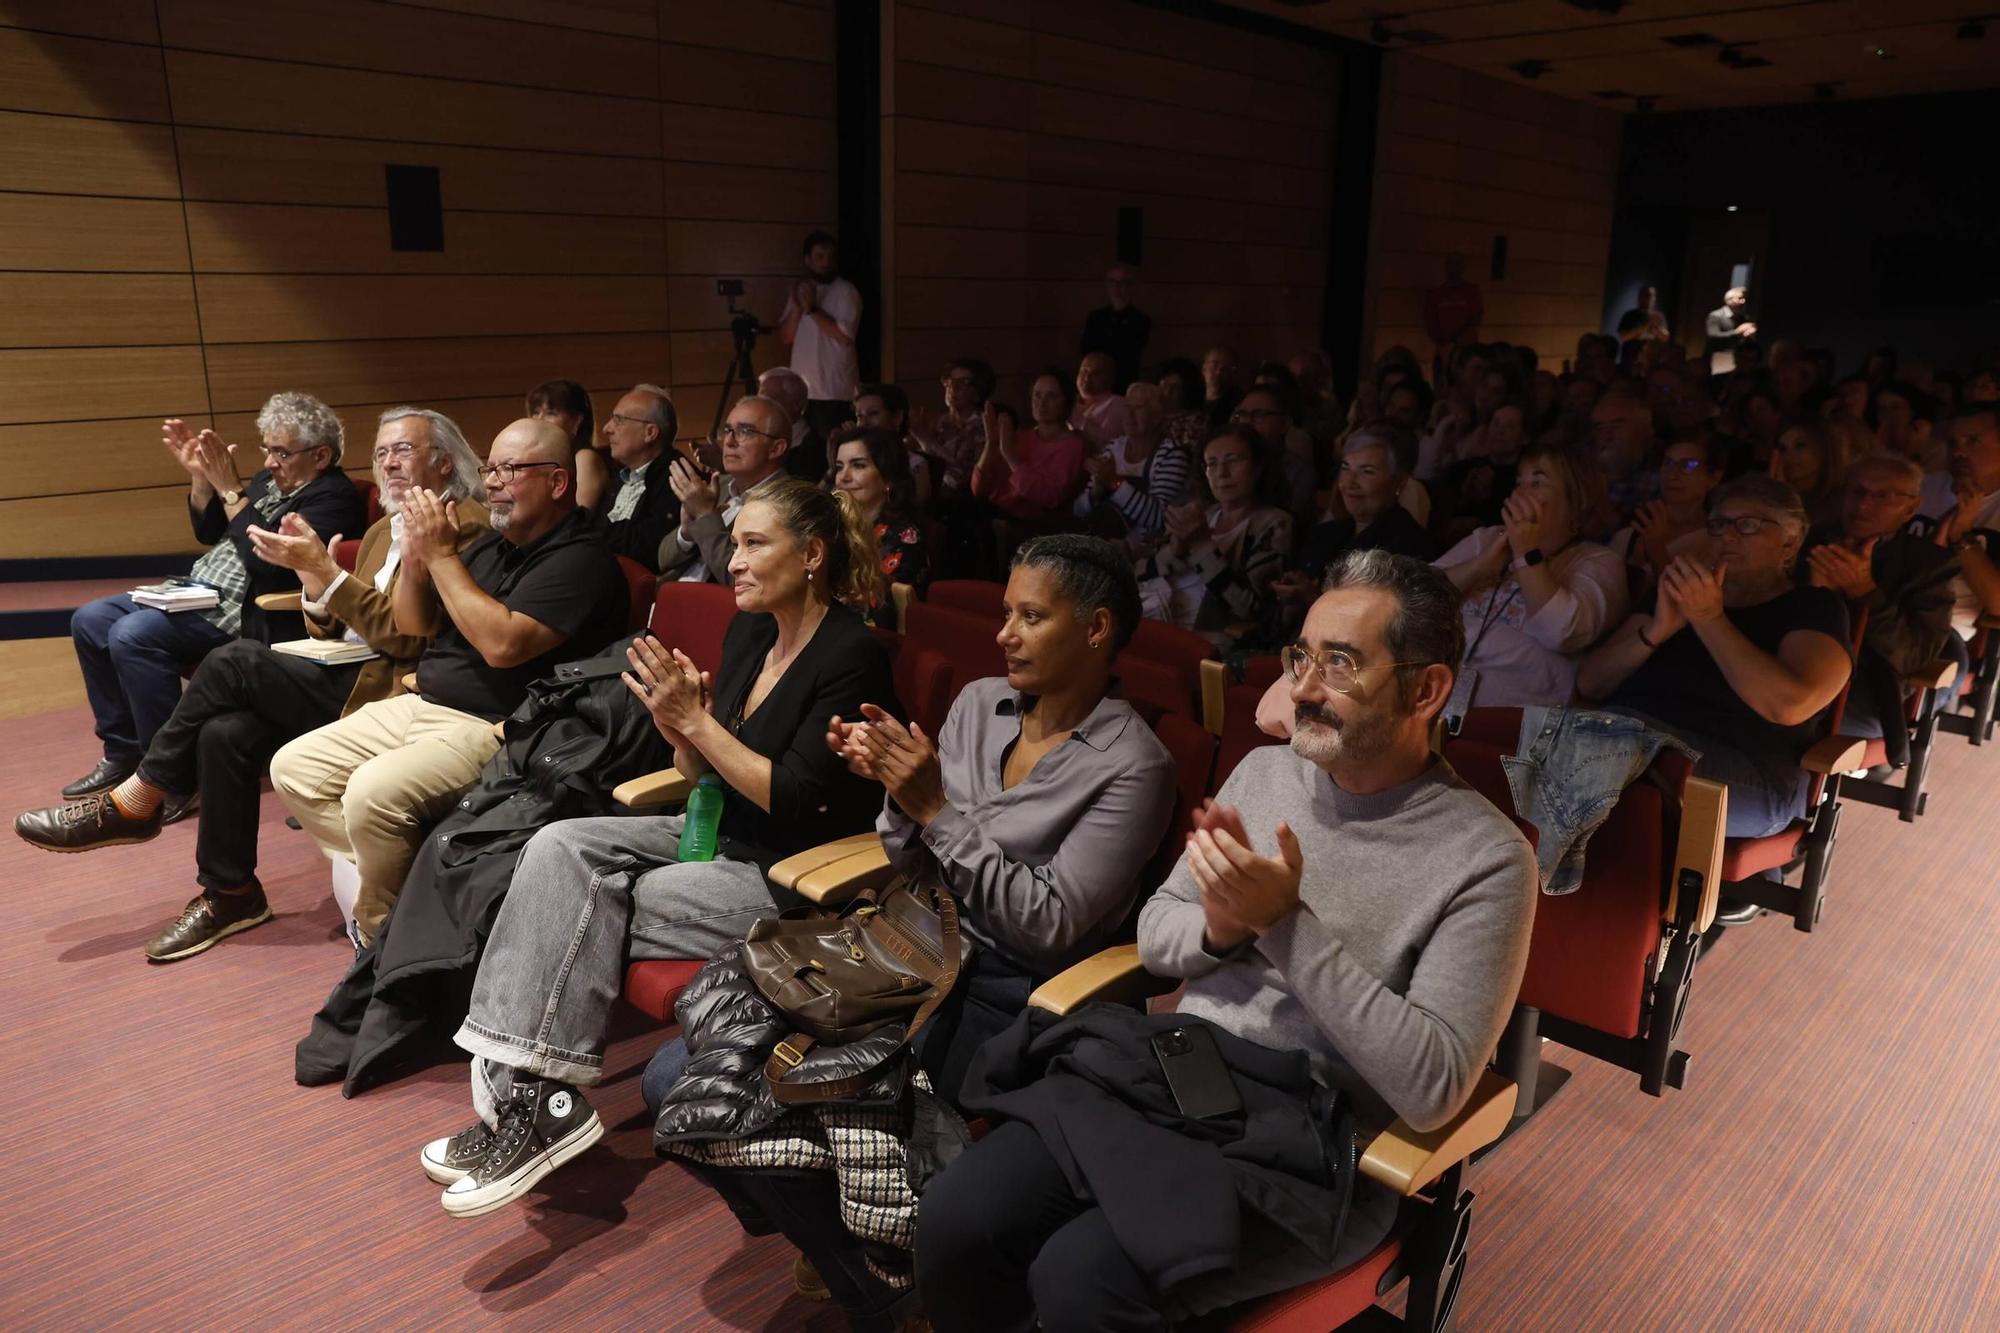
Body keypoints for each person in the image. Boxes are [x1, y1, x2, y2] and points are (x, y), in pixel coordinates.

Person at [914, 550, 1538, 1333]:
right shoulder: (1265, 773)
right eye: (1301, 655)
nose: (1304, 688)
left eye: (1339, 663)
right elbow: (1157, 935)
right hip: (1173, 1076)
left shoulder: (1488, 858)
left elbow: (1434, 1086)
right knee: (954, 1217)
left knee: (1080, 1278)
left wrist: (1284, 925)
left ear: (1427, 688)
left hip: (1316, 1143)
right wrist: (1221, 926)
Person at [652, 535, 1180, 1329]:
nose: (1003, 634)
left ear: (1097, 628)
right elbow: (907, 856)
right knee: (674, 1074)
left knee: (783, 1106)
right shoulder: (978, 702)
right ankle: (871, 1269)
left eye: (1031, 617)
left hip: (1010, 992)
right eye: (1006, 612)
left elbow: (1049, 926)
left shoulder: (1135, 764)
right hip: (901, 941)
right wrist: (895, 793)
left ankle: (872, 1264)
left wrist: (936, 807)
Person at [417, 478, 898, 1216]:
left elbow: (799, 800)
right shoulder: (751, 632)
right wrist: (681, 729)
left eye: (753, 544)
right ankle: (534, 1101)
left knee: (598, 898)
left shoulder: (850, 652)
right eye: (733, 542)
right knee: (556, 847)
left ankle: (529, 1108)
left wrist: (697, 724)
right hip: (722, 831)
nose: (732, 560)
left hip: (795, 874)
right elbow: (699, 769)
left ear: (812, 554)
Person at [16, 409, 487, 962]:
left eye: (403, 450)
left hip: (392, 690)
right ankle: (231, 893)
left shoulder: (465, 523)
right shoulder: (386, 527)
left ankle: (141, 797)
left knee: (233, 660)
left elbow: (409, 642)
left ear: (444, 461)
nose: (388, 463)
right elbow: (333, 622)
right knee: (226, 731)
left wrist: (329, 576)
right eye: (381, 452)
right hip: (342, 664)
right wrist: (315, 579)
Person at [269, 419, 628, 946]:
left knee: (372, 795)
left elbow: (503, 645)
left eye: (512, 469)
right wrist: (416, 561)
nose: (495, 482)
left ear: (556, 483)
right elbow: (414, 624)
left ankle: (382, 939)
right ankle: (417, 897)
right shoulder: (491, 548)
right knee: (293, 770)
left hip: (495, 725)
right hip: (420, 701)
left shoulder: (581, 559)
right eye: (491, 469)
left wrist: (439, 556)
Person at [63, 393, 367, 801]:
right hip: (195, 592)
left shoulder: (335, 498)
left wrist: (230, 490)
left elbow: (270, 568)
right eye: (267, 449)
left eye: (281, 452)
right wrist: (203, 479)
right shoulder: (266, 482)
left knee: (132, 634)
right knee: (90, 619)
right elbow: (209, 533)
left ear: (321, 455)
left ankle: (171, 776)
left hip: (243, 609)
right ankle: (124, 752)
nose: (269, 462)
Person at [1577, 475, 1852, 839]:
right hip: (1630, 745)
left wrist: (1709, 619)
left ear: (1790, 541)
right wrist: (1657, 630)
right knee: (1528, 740)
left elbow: (1789, 705)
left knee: (1598, 747)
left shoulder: (1812, 607)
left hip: (1747, 774)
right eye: (1719, 524)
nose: (1727, 536)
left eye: (1748, 525)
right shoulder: (1683, 592)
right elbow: (1590, 683)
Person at [1799, 456, 1956, 744]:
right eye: (1856, 492)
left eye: (1882, 496)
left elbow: (1913, 657)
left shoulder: (1928, 565)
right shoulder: (1807, 541)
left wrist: (1864, 592)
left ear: (1911, 507)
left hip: (1869, 690)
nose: (1863, 505)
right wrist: (1814, 595)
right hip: (1791, 666)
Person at [1151, 429, 1293, 648]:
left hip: (1207, 634)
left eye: (1232, 461)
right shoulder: (1204, 513)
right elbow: (1144, 571)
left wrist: (1201, 545)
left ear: (1258, 468)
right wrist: (1176, 549)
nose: (1222, 473)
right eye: (1212, 464)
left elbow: (1249, 607)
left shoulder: (1274, 523)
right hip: (1160, 612)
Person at [660, 395, 793, 584]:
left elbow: (742, 578)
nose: (729, 442)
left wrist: (705, 515)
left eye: (745, 431)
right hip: (674, 596)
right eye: (728, 430)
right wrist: (686, 533)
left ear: (776, 448)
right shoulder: (718, 484)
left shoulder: (787, 501)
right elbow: (662, 560)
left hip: (722, 609)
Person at [829, 424, 928, 628]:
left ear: (887, 478)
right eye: (839, 467)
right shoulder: (831, 523)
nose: (843, 477)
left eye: (858, 465)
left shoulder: (903, 535)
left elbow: (879, 609)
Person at [1073, 380, 1194, 544]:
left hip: (1145, 551)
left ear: (1156, 417)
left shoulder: (1171, 454)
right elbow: (1078, 510)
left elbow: (1159, 518)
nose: (1129, 414)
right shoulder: (1114, 448)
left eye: (1138, 408)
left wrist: (1114, 482)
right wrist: (1096, 491)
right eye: (1127, 407)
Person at [779, 230, 863, 439]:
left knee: (833, 450)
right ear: (807, 260)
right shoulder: (800, 289)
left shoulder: (846, 291)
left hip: (835, 391)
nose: (826, 262)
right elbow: (786, 337)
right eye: (819, 257)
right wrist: (799, 307)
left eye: (830, 257)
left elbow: (845, 336)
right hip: (803, 392)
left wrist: (812, 309)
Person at [590, 383, 682, 572]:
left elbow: (645, 548)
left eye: (618, 420)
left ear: (650, 432)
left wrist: (592, 530)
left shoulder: (678, 477)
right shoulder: (619, 475)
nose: (607, 428)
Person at [972, 372, 1086, 521]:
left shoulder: (1073, 446)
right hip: (994, 515)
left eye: (1051, 397)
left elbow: (1050, 498)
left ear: (1066, 402)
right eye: (1037, 395)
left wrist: (1010, 456)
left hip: (1033, 527)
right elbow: (979, 489)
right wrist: (991, 444)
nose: (1042, 403)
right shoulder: (1022, 437)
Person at [1929, 402, 2000, 638]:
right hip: (1887, 613)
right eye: (1952, 443)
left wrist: (1961, 533)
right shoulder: (1921, 487)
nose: (1958, 452)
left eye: (1972, 441)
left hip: (1948, 633)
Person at [1622, 431, 1726, 584]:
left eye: (1688, 465)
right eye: (1668, 463)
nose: (1672, 475)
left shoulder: (1717, 541)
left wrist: (1657, 551)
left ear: (1714, 477)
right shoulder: (1634, 529)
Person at [908, 358, 991, 500]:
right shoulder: (939, 420)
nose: (952, 387)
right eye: (949, 380)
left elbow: (960, 476)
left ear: (978, 392)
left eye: (964, 382)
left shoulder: (982, 425)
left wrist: (926, 441)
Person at [526, 379, 607, 511]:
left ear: (576, 420)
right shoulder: (540, 459)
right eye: (536, 412)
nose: (539, 420)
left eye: (550, 413)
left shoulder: (584, 458)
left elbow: (580, 516)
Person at [1589, 389, 1662, 528]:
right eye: (1600, 427)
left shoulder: (1665, 476)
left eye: (1617, 426)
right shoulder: (1581, 473)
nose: (1607, 436)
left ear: (1645, 429)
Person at [1078, 262, 1151, 390]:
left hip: (1123, 383)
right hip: (1094, 384)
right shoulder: (1096, 317)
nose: (1116, 287)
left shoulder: (1140, 320)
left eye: (1122, 282)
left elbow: (1130, 353)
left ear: (1129, 286)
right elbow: (1086, 351)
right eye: (1112, 281)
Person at [1768, 414, 1849, 527]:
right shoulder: (1774, 497)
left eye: (1800, 445)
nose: (1789, 456)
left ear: (1823, 448)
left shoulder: (1843, 504)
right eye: (1783, 449)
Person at [1422, 254, 1484, 387]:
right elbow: (1431, 323)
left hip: (1466, 351)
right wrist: (1443, 344)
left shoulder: (1471, 291)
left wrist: (1457, 340)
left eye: (1457, 265)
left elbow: (1476, 318)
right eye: (1450, 265)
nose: (1453, 269)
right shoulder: (1436, 294)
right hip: (1443, 349)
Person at [759, 366, 828, 485]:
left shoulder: (816, 450)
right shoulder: (758, 441)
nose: (760, 407)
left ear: (796, 404)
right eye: (759, 400)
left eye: (768, 400)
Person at [1070, 351, 1128, 451]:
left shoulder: (1118, 404)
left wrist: (1081, 421)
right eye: (1084, 371)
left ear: (1109, 378)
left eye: (1095, 373)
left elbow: (1112, 444)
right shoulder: (1066, 401)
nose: (1087, 377)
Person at [1703, 286, 1757, 371]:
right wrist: (1737, 332)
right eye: (1739, 298)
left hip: (1737, 357)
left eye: (1743, 298)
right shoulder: (1716, 315)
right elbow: (1712, 335)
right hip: (1719, 357)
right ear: (1728, 300)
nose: (1743, 301)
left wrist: (1749, 334)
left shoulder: (1743, 317)